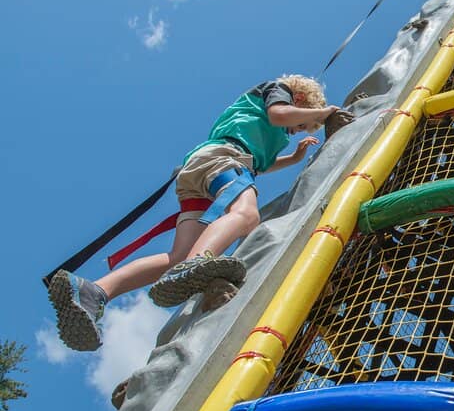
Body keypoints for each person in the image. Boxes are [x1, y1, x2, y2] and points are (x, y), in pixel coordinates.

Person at [47, 74, 351, 351]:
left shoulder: (274, 136)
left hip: (200, 177)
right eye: (299, 126)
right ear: (300, 100)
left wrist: (294, 158)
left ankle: (95, 291)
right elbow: (278, 114)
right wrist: (324, 114)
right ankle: (195, 265)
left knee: (177, 256)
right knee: (247, 215)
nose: (294, 130)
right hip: (223, 159)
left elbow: (262, 164)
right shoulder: (277, 92)